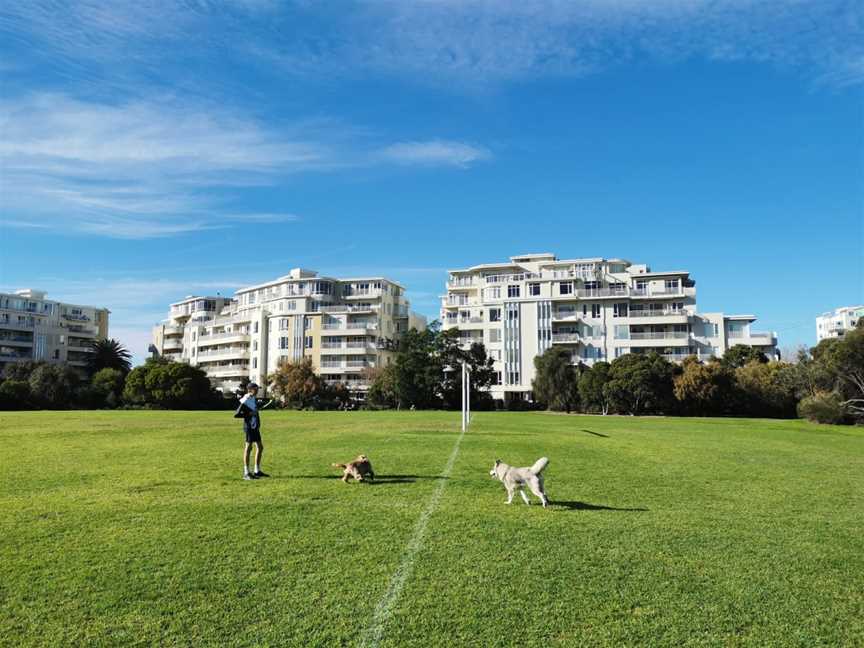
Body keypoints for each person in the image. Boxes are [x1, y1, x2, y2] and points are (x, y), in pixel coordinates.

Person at [235, 382, 272, 480]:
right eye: (255, 389)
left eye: (257, 389)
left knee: (260, 447)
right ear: (250, 390)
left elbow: (254, 408)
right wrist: (250, 413)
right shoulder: (245, 399)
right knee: (248, 447)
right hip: (249, 427)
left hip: (254, 426)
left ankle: (257, 470)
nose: (257, 391)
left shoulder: (252, 398)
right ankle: (246, 473)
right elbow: (236, 414)